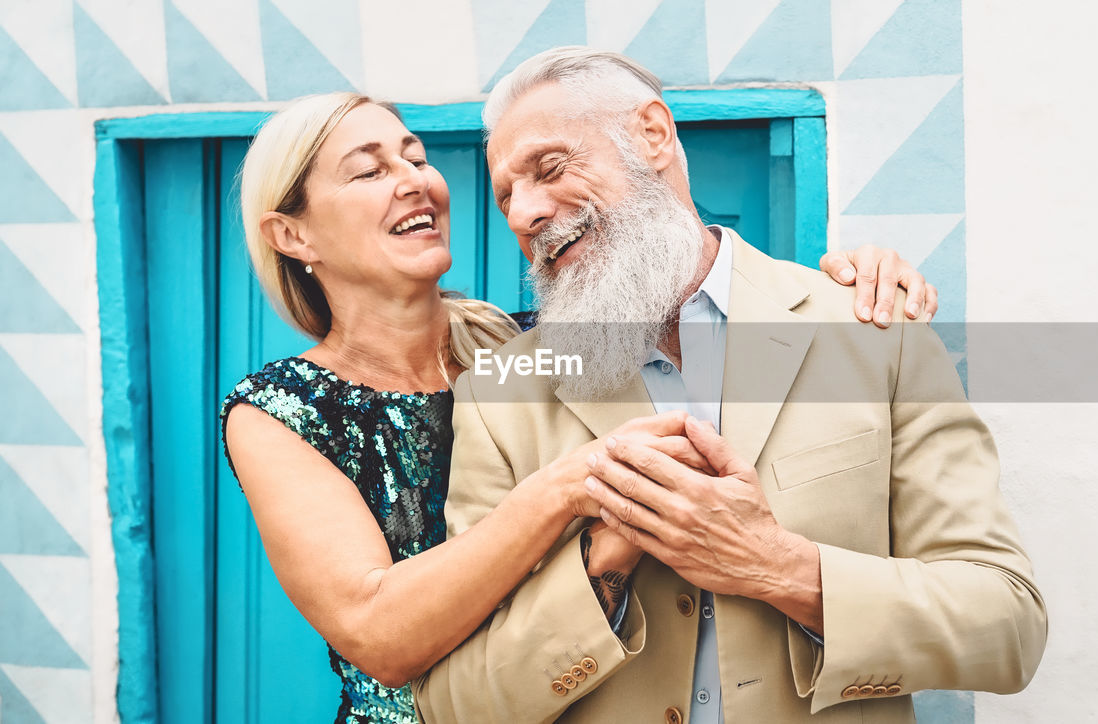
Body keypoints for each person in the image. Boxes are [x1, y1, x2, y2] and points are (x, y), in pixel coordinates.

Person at [219, 91, 935, 724]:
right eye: (371, 170)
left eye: (415, 157)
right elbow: (379, 636)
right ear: (293, 235)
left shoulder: (539, 348)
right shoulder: (282, 412)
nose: (415, 182)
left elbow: (712, 312)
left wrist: (857, 280)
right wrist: (571, 484)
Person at [411, 48, 1047, 723]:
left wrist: (776, 566)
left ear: (653, 134)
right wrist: (601, 572)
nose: (525, 214)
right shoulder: (499, 396)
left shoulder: (874, 330)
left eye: (550, 168)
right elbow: (453, 705)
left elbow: (1006, 627)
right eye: (507, 196)